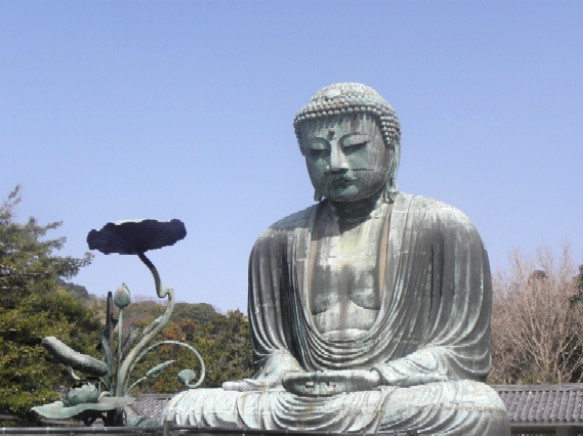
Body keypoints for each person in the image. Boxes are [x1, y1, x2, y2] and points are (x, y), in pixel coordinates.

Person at [162, 83, 510, 434]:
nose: (335, 164)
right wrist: (286, 371)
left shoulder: (445, 227)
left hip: (393, 395)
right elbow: (272, 352)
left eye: (354, 146)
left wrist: (374, 377)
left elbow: (462, 354)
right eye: (317, 152)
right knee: (185, 409)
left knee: (477, 408)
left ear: (393, 149)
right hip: (300, 400)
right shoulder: (275, 241)